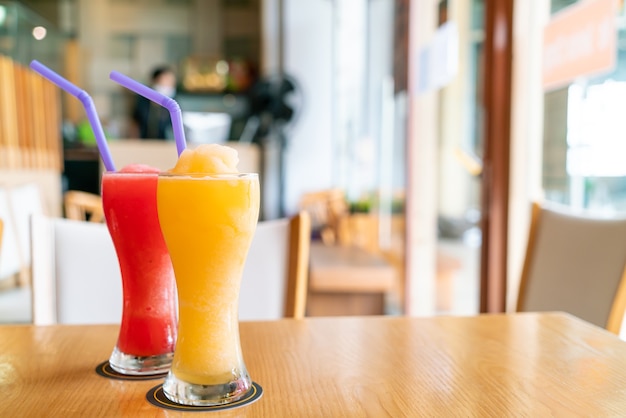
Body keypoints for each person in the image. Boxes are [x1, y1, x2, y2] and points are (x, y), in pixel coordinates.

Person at [133, 66, 177, 140]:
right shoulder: (143, 101)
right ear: (154, 81)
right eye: (165, 81)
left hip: (166, 145)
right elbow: (134, 123)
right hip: (144, 143)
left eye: (171, 82)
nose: (168, 86)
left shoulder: (174, 105)